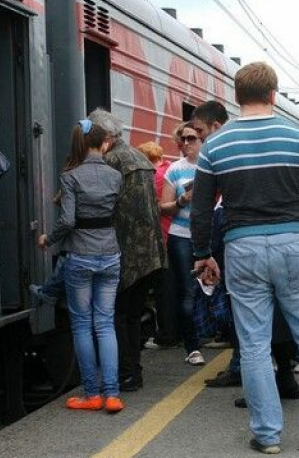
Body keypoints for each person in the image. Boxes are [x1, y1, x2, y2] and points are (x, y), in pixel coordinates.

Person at [190, 62, 299, 452]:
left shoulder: (215, 145)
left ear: (237, 97)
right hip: (294, 244)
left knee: (255, 343)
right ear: (274, 95)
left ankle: (267, 435)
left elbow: (201, 208)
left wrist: (202, 254)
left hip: (242, 248)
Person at [37, 119, 124, 413]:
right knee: (106, 324)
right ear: (105, 144)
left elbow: (69, 220)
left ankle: (91, 395)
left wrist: (49, 238)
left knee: (83, 326)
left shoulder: (70, 176)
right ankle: (112, 394)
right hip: (110, 254)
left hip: (81, 256)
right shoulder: (115, 176)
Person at [87, 110, 167, 393]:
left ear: (106, 137)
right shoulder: (140, 157)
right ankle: (134, 373)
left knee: (118, 316)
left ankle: (127, 374)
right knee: (132, 315)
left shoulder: (110, 161)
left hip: (124, 252)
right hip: (149, 252)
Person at [160, 123, 207, 366]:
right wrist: (182, 200)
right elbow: (163, 207)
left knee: (211, 290)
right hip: (181, 237)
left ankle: (211, 334)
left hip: (208, 235)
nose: (186, 143)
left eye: (192, 138)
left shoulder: (211, 166)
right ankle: (192, 346)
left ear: (202, 140)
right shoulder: (175, 170)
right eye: (183, 139)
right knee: (188, 291)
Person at [137, 141, 177, 350]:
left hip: (161, 235)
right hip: (173, 233)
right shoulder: (170, 169)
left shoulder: (155, 176)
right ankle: (171, 331)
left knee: (163, 288)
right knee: (170, 286)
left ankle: (166, 334)